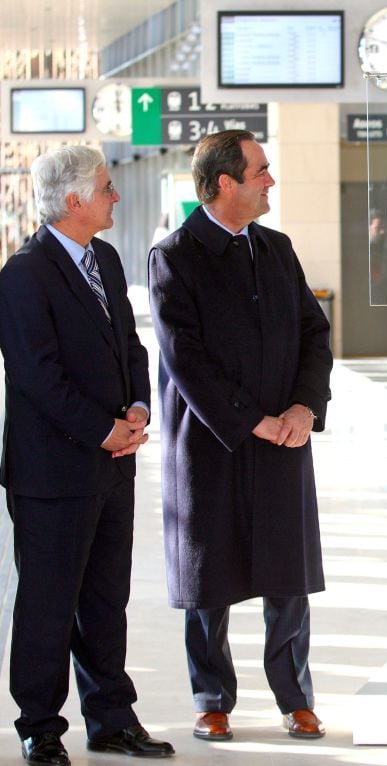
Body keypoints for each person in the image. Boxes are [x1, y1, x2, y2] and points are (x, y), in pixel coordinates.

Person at [148, 130, 333, 742]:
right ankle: (212, 699)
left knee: (287, 577)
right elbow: (185, 357)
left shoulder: (277, 249)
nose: (270, 181)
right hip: (212, 442)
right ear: (224, 182)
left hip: (283, 438)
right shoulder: (175, 254)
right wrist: (251, 417)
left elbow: (314, 332)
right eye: (261, 171)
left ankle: (295, 696)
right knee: (210, 579)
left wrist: (305, 406)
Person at [0, 146, 174, 765]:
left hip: (112, 463)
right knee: (49, 602)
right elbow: (35, 376)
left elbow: (129, 345)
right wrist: (102, 430)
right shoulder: (24, 272)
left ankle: (110, 719)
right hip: (52, 471)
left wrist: (136, 410)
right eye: (106, 188)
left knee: (106, 598)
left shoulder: (103, 256)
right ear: (73, 202)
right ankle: (40, 726)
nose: (116, 197)